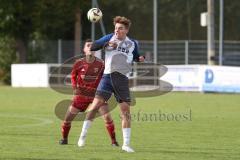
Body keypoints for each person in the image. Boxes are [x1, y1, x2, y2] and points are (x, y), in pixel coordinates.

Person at [78, 16, 144, 152]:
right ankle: (82, 136)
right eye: (116, 28)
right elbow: (94, 46)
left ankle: (126, 144)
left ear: (126, 30)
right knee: (95, 106)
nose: (117, 31)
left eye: (120, 28)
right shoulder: (109, 37)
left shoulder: (132, 43)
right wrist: (106, 45)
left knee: (126, 112)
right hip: (107, 78)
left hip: (122, 80)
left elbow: (137, 56)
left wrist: (141, 58)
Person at [59, 39, 119, 147]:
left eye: (92, 46)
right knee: (67, 119)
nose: (90, 47)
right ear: (84, 49)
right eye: (88, 45)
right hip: (81, 96)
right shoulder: (78, 63)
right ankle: (64, 139)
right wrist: (74, 88)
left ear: (95, 49)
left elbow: (107, 78)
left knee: (107, 118)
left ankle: (114, 142)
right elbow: (73, 76)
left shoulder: (101, 64)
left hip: (98, 95)